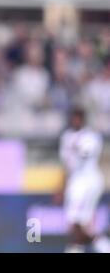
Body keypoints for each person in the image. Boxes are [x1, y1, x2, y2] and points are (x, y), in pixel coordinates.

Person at [56, 107, 110, 253]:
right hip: (75, 183)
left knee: (78, 223)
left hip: (88, 182)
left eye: (78, 117)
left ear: (83, 119)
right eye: (73, 117)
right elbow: (67, 165)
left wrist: (77, 147)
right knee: (80, 225)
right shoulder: (66, 137)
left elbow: (85, 153)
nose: (75, 121)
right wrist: (62, 187)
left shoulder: (90, 137)